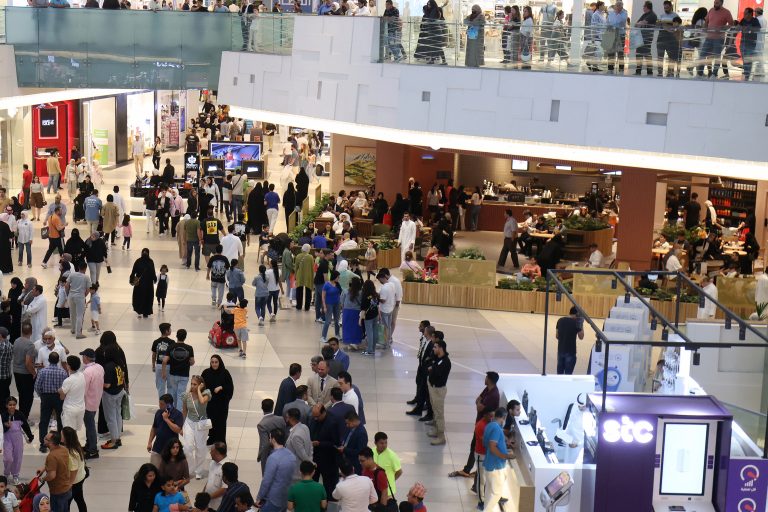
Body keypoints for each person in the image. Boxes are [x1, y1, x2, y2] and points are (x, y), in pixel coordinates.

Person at [451, 371, 500, 479]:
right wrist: (480, 403)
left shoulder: (493, 395)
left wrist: (480, 404)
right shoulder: (488, 390)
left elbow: (479, 407)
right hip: (480, 423)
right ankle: (469, 469)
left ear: (490, 379)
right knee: (474, 446)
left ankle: (474, 471)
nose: (485, 379)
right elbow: (477, 400)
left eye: (486, 377)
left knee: (478, 448)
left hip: (485, 427)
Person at [483, 408, 515, 512]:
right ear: (504, 418)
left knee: (489, 492)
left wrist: (504, 446)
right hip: (496, 466)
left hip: (489, 463)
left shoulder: (490, 425)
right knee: (496, 494)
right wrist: (505, 456)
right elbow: (492, 447)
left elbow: (487, 443)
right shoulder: (496, 429)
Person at [180, 375, 211, 480]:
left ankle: (199, 470)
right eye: (192, 384)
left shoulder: (206, 393)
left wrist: (198, 390)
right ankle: (190, 467)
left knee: (200, 448)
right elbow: (184, 411)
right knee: (187, 447)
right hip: (189, 422)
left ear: (200, 385)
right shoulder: (186, 396)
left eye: (195, 384)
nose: (192, 386)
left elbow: (202, 402)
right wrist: (182, 426)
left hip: (201, 424)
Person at [34, 352, 67, 454]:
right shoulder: (63, 372)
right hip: (58, 397)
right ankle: (60, 442)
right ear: (58, 361)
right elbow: (65, 387)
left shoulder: (43, 371)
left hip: (46, 397)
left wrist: (41, 395)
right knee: (61, 420)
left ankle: (43, 444)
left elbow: (37, 386)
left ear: (48, 360)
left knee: (44, 420)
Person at [163, 329, 195, 421]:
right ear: (185, 337)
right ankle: (179, 416)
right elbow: (192, 362)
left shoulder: (171, 347)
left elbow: (165, 360)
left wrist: (164, 372)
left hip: (173, 374)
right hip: (184, 375)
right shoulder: (189, 348)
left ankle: (171, 413)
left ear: (176, 336)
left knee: (173, 394)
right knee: (181, 395)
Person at [201, 355, 234, 445]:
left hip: (221, 403)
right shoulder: (206, 373)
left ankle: (221, 441)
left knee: (221, 422)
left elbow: (230, 387)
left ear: (219, 362)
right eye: (212, 362)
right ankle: (212, 438)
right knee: (211, 421)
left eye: (216, 362)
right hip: (210, 403)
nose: (214, 364)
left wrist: (222, 387)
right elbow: (201, 386)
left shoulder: (225, 373)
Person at [100, 344, 127, 451]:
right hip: (120, 391)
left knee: (110, 418)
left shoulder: (108, 366)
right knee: (117, 415)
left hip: (110, 394)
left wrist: (98, 383)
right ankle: (118, 437)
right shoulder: (120, 364)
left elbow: (107, 384)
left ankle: (113, 441)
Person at [697, 0, 733, 78]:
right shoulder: (711, 10)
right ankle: (699, 74)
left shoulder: (726, 12)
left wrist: (722, 28)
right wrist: (705, 28)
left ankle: (714, 74)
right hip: (708, 37)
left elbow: (731, 24)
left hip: (719, 39)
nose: (715, 4)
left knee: (716, 57)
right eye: (714, 2)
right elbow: (706, 21)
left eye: (717, 3)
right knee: (702, 55)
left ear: (721, 3)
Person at [2, 395, 34, 484]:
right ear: (6, 405)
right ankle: (6, 473)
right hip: (7, 439)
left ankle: (15, 474)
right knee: (8, 458)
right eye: (10, 405)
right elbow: (1, 429)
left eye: (14, 404)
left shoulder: (20, 414)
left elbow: (25, 426)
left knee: (17, 457)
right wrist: (6, 426)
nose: (12, 406)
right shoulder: (3, 415)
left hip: (18, 439)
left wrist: (30, 436)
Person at [147, 394, 184, 468]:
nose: (159, 405)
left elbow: (177, 430)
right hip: (157, 447)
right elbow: (154, 428)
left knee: (169, 472)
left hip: (171, 450)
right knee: (154, 469)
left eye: (162, 404)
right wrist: (150, 442)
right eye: (159, 403)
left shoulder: (178, 414)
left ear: (169, 405)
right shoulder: (158, 412)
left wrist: (166, 419)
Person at [38, 431, 73, 511]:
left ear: (51, 443)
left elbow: (52, 475)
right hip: (67, 489)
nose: (44, 439)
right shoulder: (63, 449)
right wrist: (43, 469)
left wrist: (43, 479)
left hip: (58, 492)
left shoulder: (52, 456)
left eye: (46, 439)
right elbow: (57, 464)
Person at [79, 348, 103, 460]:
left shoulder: (87, 372)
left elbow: (84, 389)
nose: (82, 358)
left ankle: (93, 449)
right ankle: (89, 445)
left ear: (87, 358)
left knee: (90, 426)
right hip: (96, 400)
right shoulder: (99, 367)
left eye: (83, 356)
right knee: (90, 424)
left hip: (88, 402)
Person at [426, 340, 450, 445]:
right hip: (433, 387)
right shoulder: (438, 358)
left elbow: (437, 373)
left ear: (441, 348)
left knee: (439, 414)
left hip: (438, 390)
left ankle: (441, 436)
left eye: (435, 347)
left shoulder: (445, 362)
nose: (433, 349)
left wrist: (432, 369)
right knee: (435, 410)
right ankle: (436, 429)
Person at [257, 399, 287, 474]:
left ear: (262, 408)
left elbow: (265, 444)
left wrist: (260, 455)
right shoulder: (281, 419)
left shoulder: (261, 424)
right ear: (272, 407)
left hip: (269, 454)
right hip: (282, 451)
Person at [61, 426, 87, 512]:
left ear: (66, 438)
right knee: (79, 499)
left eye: (62, 435)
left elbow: (73, 470)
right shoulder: (77, 446)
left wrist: (69, 485)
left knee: (66, 502)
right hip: (81, 477)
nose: (60, 436)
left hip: (74, 482)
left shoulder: (71, 453)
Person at [59, 355, 85, 432]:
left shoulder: (68, 380)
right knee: (75, 431)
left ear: (68, 366)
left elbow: (62, 397)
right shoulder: (82, 375)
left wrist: (60, 391)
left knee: (68, 433)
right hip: (81, 408)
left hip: (70, 410)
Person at [373, 432, 403, 499]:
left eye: (386, 442)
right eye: (381, 443)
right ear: (375, 443)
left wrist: (391, 480)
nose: (384, 445)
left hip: (387, 491)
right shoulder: (371, 451)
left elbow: (399, 472)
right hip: (374, 489)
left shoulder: (392, 456)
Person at [556, 307, 585, 375]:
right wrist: (581, 324)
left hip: (560, 350)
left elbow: (557, 336)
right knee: (568, 375)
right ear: (577, 314)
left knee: (559, 374)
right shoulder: (576, 322)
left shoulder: (560, 320)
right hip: (571, 351)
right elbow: (581, 337)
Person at [203, 443, 229, 510]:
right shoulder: (212, 463)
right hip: (208, 503)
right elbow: (209, 480)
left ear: (217, 452)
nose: (210, 453)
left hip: (218, 506)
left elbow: (225, 489)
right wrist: (203, 494)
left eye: (211, 451)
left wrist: (208, 497)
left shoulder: (227, 467)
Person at [320, 270, 342, 343]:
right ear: (334, 277)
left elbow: (339, 294)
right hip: (329, 304)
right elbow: (323, 296)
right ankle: (323, 336)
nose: (339, 278)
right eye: (338, 277)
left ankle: (337, 334)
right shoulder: (327, 285)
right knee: (328, 321)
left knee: (337, 320)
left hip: (337, 304)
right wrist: (324, 306)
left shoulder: (337, 284)